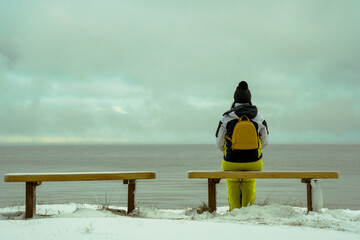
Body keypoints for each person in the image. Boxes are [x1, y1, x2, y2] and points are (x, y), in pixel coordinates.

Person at [215, 81, 269, 211]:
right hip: (253, 161)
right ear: (249, 99)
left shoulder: (226, 117)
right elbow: (266, 141)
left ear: (235, 99)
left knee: (232, 183)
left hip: (231, 161)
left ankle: (234, 211)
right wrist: (254, 149)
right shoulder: (259, 117)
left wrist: (229, 150)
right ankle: (247, 211)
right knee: (249, 183)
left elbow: (219, 143)